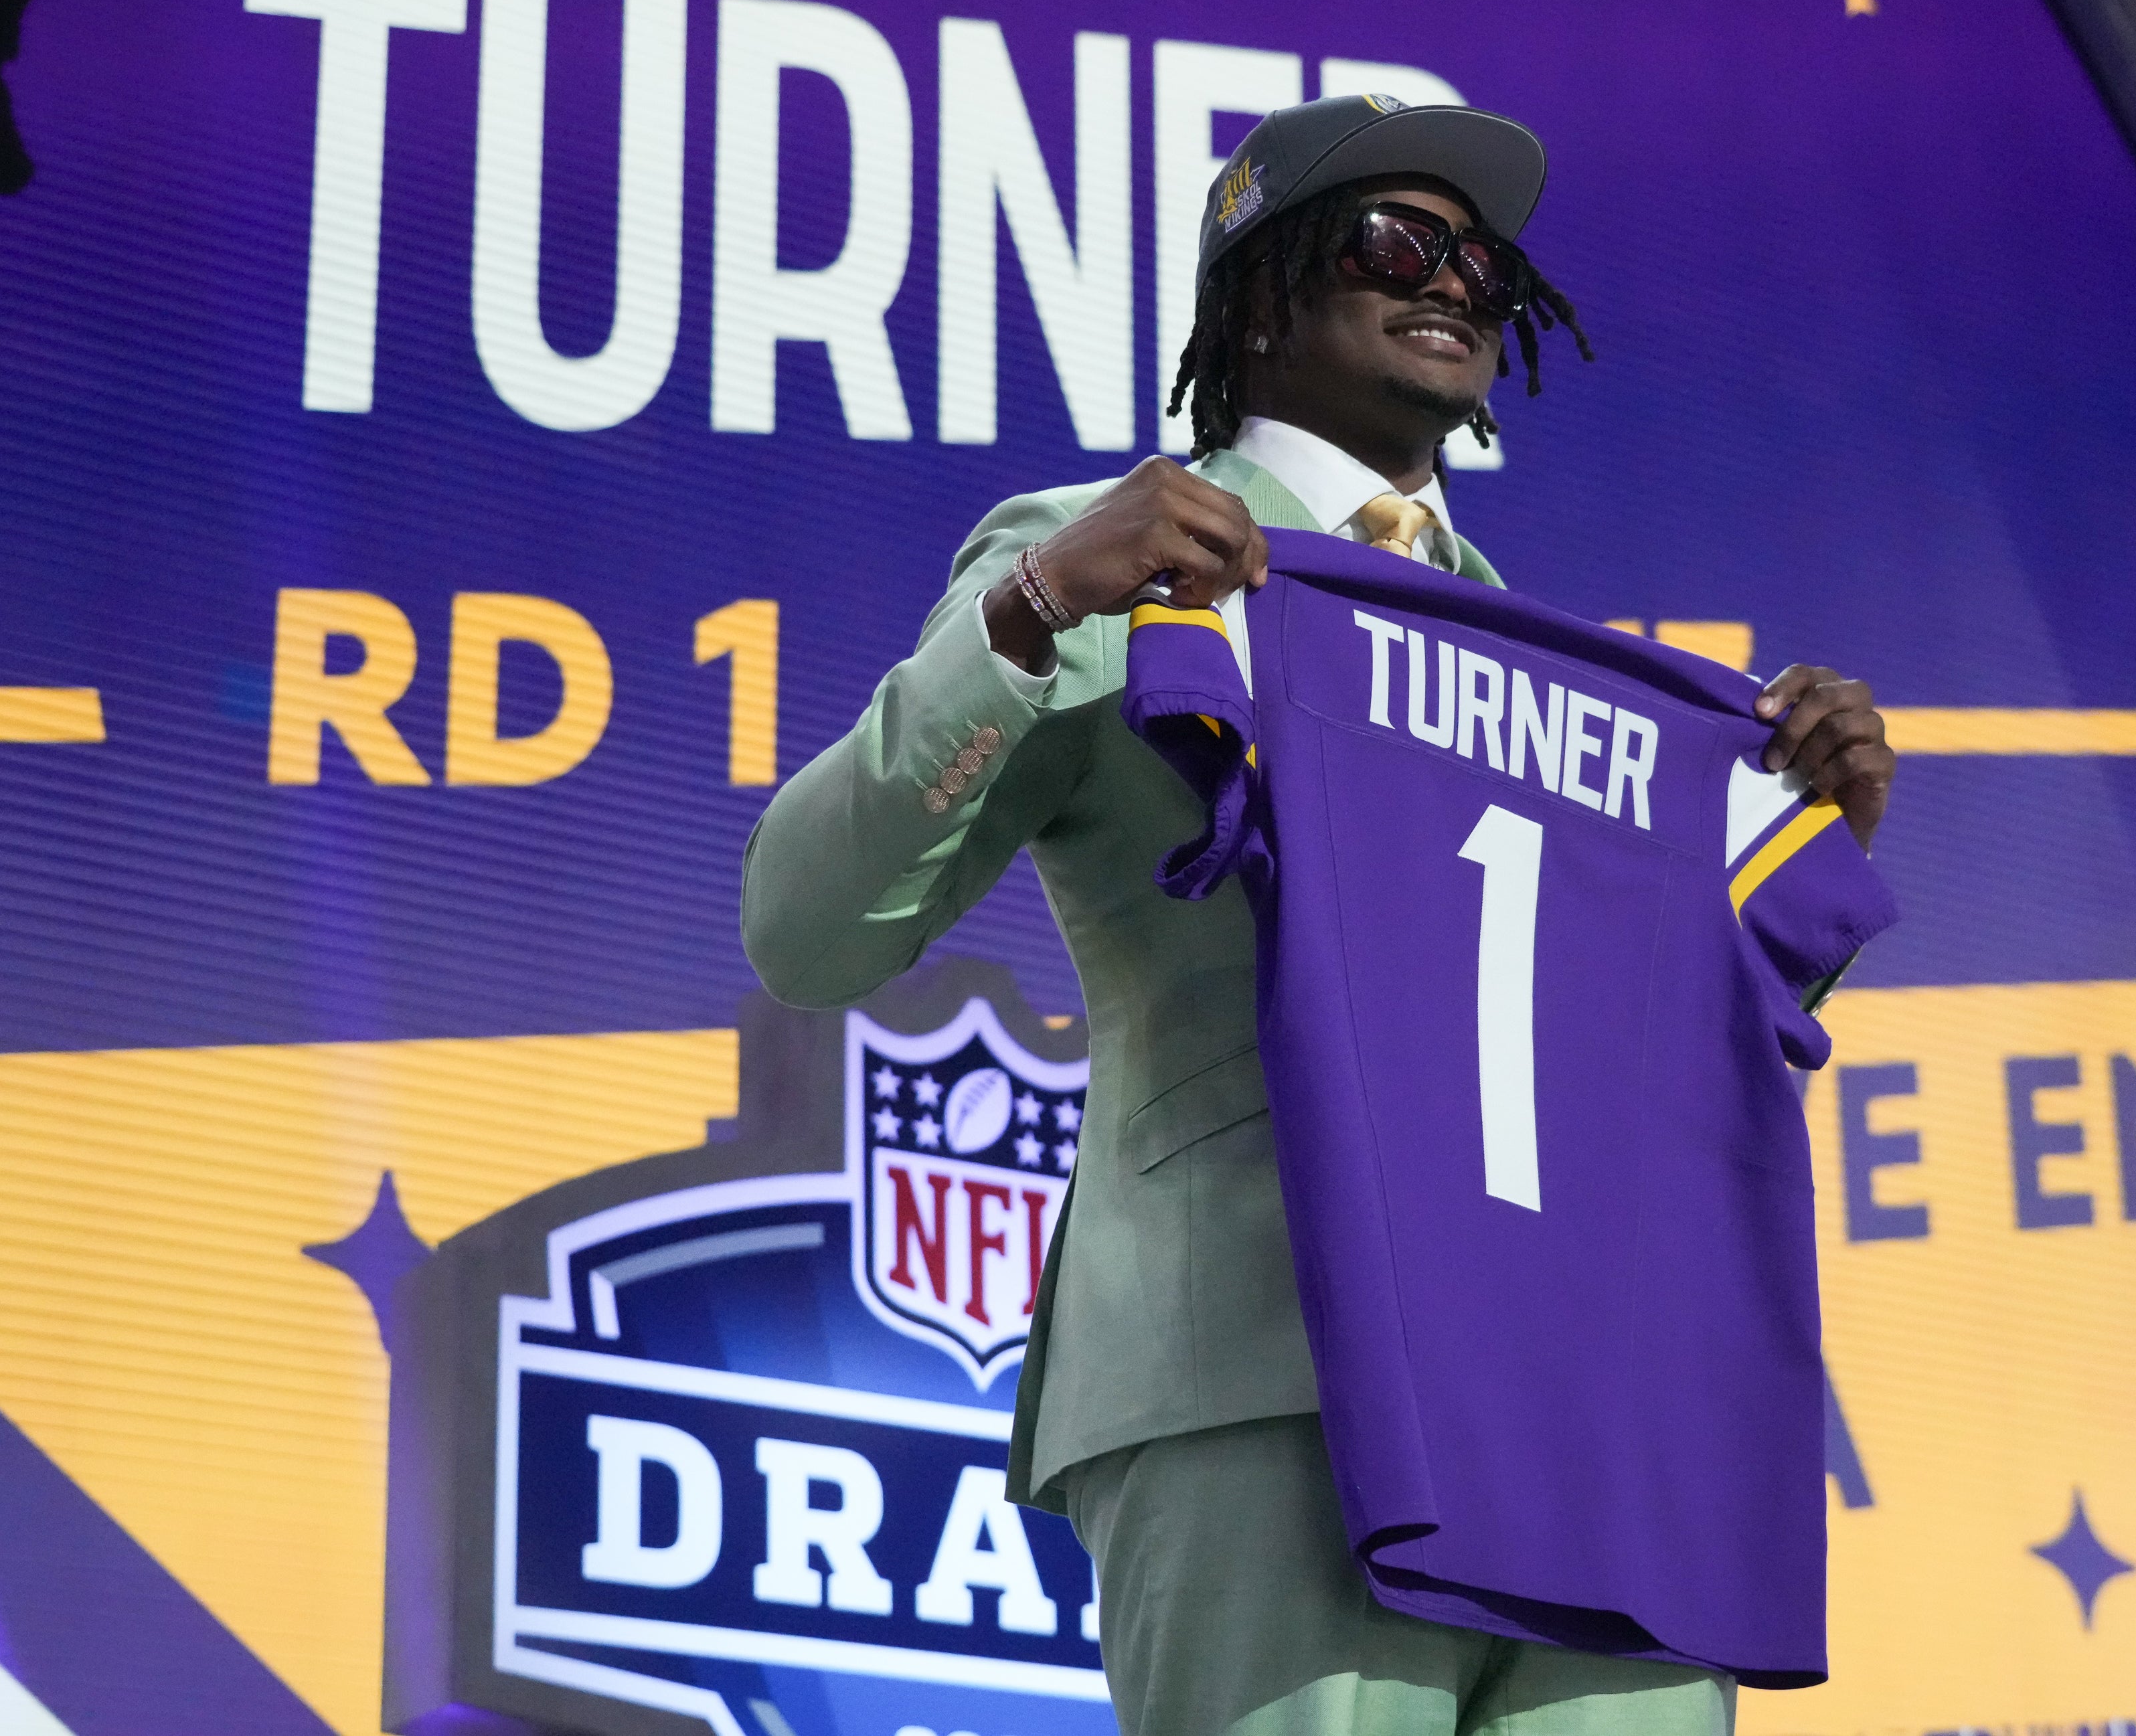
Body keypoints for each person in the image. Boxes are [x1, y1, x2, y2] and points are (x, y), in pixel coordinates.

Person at [741, 95, 1898, 1736]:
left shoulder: (1559, 669)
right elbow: (807, 931)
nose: (1454, 283)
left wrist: (1799, 856)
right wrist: (1039, 602)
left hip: (1579, 1399)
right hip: (1263, 1374)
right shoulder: (1109, 562)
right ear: (1263, 291)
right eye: (1393, 244)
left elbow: (1606, 1050)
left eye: (1483, 264)